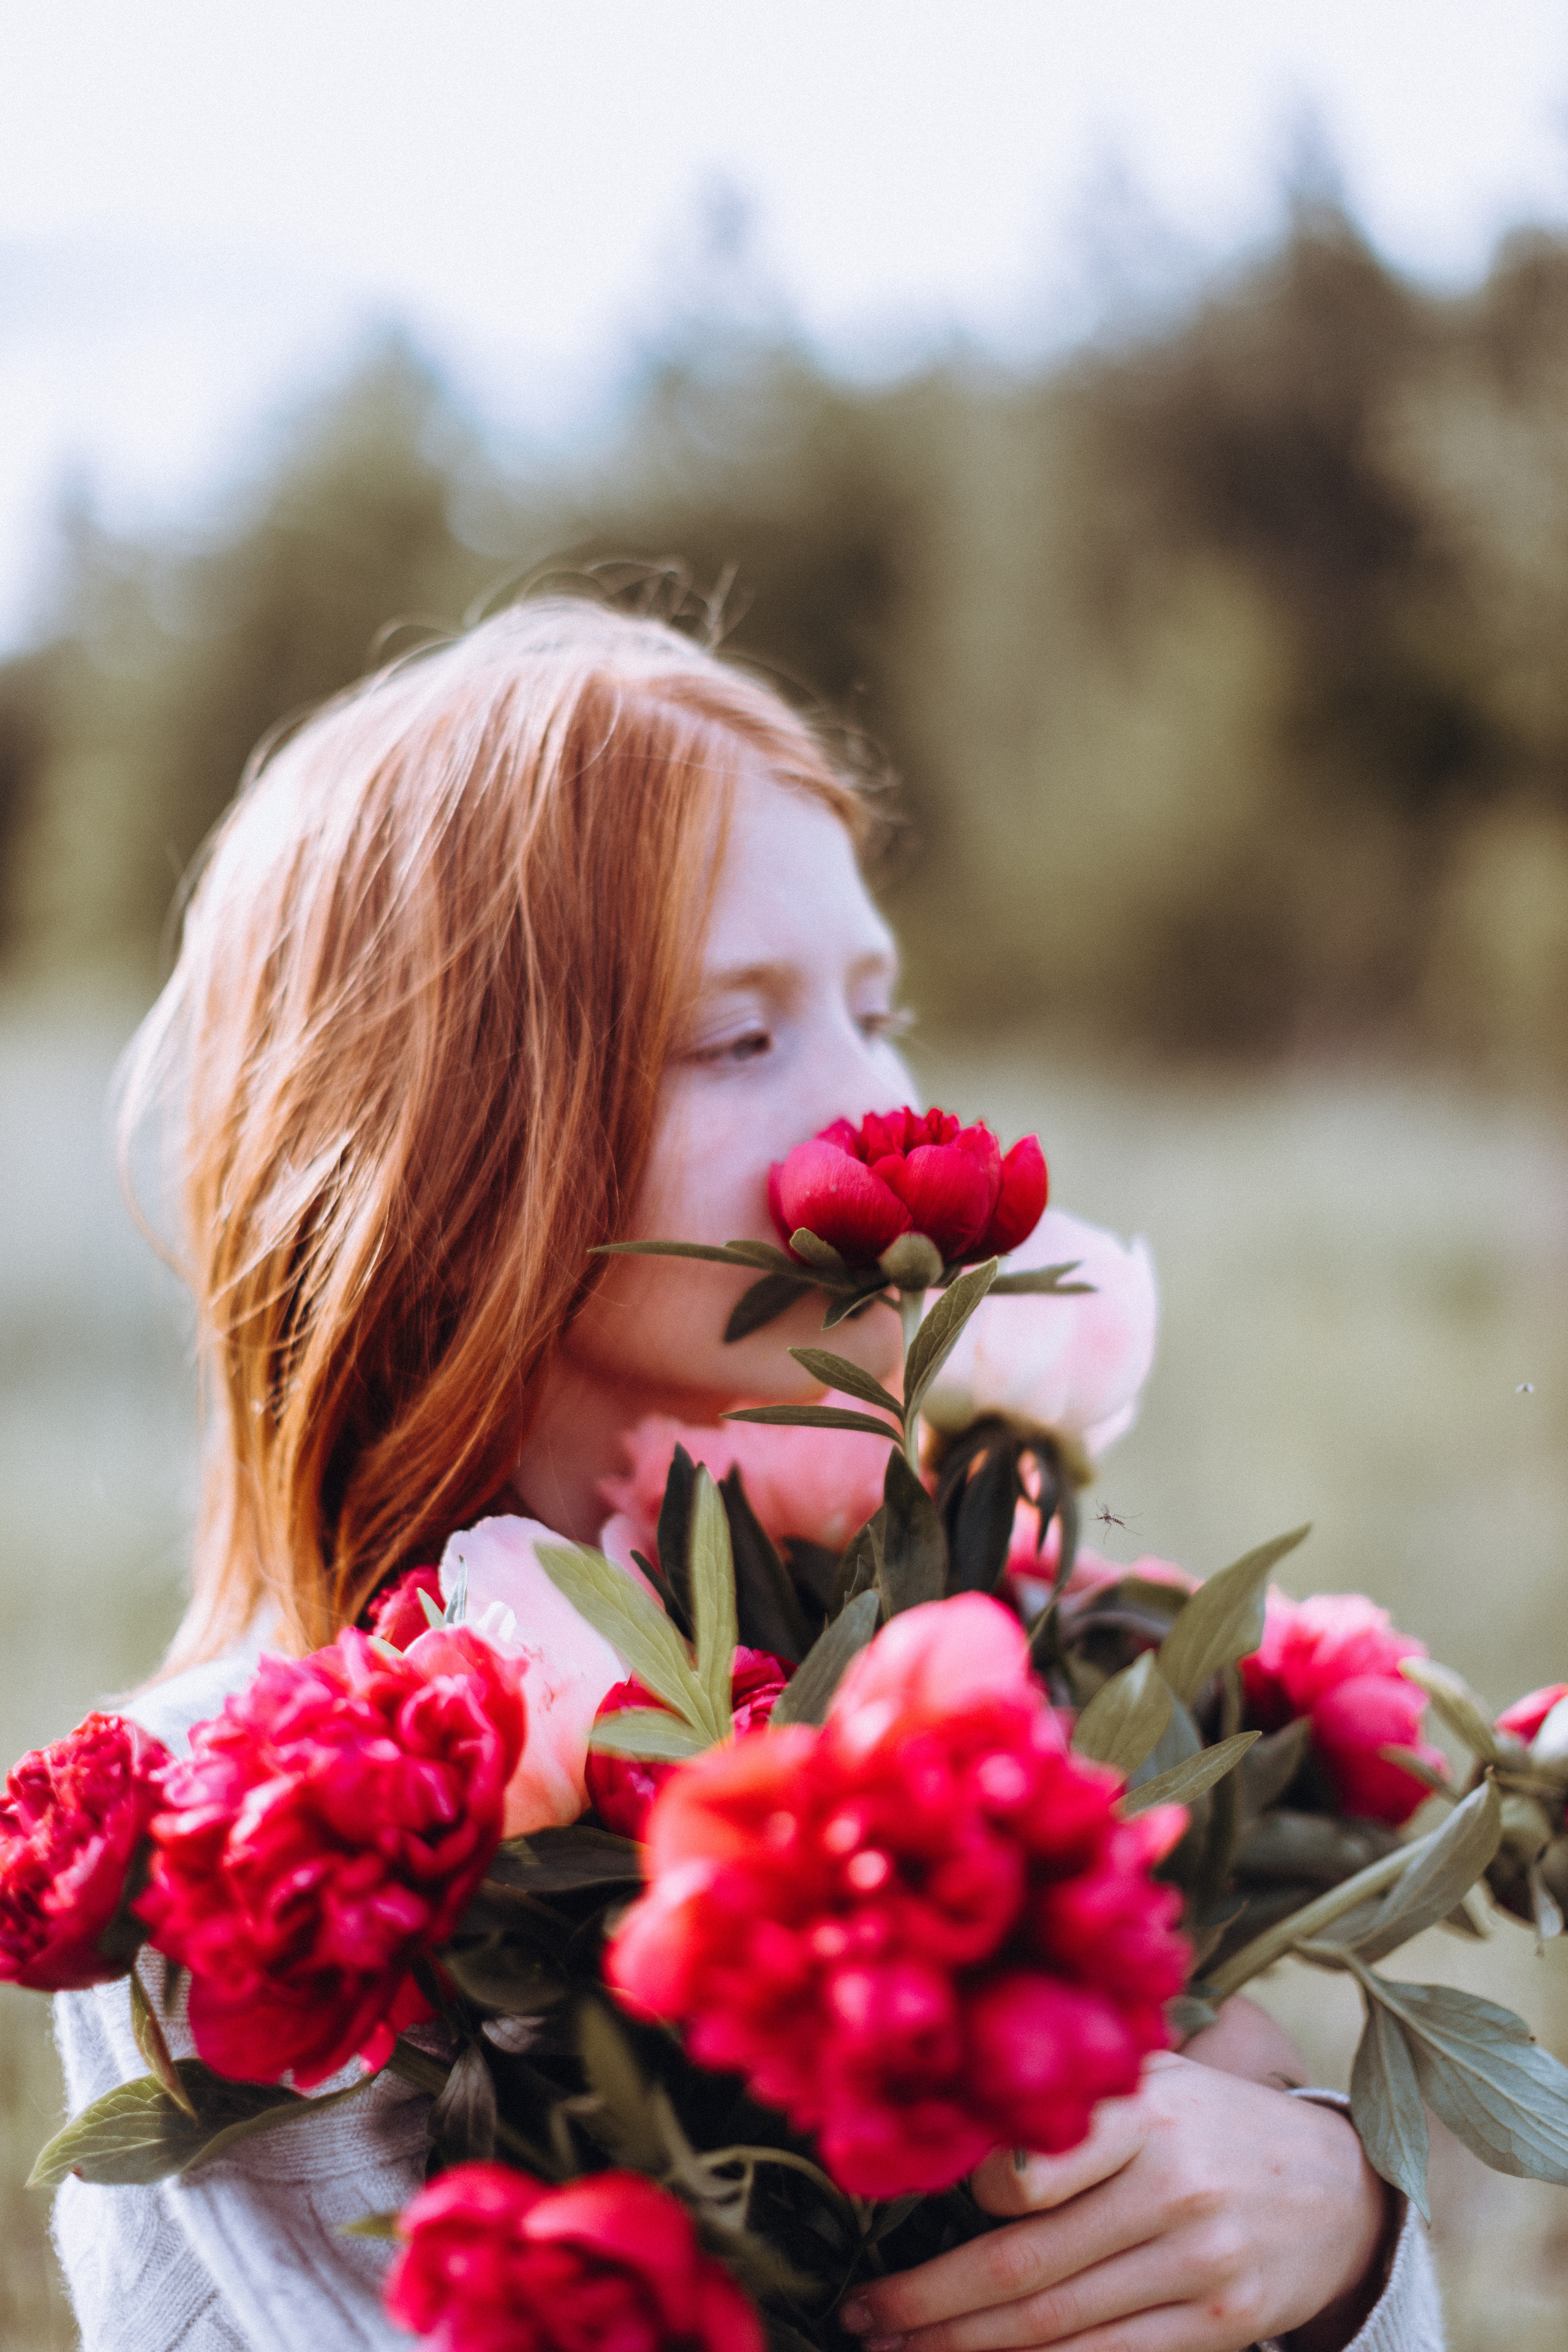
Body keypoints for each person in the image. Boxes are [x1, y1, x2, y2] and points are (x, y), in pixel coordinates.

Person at [53, 594, 1443, 2351]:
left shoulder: (1016, 1684)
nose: (876, 1108)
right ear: (451, 1165)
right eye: (742, 1037)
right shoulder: (240, 1855)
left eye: (881, 1009)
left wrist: (1330, 2238)